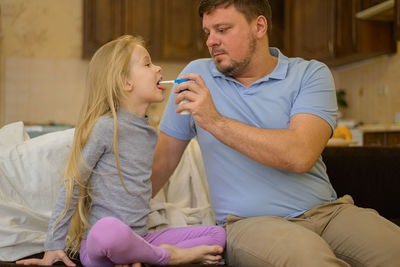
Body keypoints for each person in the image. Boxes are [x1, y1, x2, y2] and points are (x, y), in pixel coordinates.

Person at [151, 1, 400, 266]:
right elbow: (162, 162)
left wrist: (215, 121)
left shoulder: (309, 74)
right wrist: (120, 229)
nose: (211, 41)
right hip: (251, 224)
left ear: (259, 26)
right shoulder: (195, 76)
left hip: (329, 213)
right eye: (207, 32)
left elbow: (300, 155)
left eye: (222, 29)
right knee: (310, 261)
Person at [16, 35, 225, 267]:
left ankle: (138, 254)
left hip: (140, 238)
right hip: (100, 244)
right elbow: (73, 183)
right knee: (109, 230)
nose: (158, 68)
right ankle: (166, 256)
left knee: (218, 237)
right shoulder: (106, 127)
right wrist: (53, 245)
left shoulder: (149, 133)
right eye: (147, 64)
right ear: (126, 82)